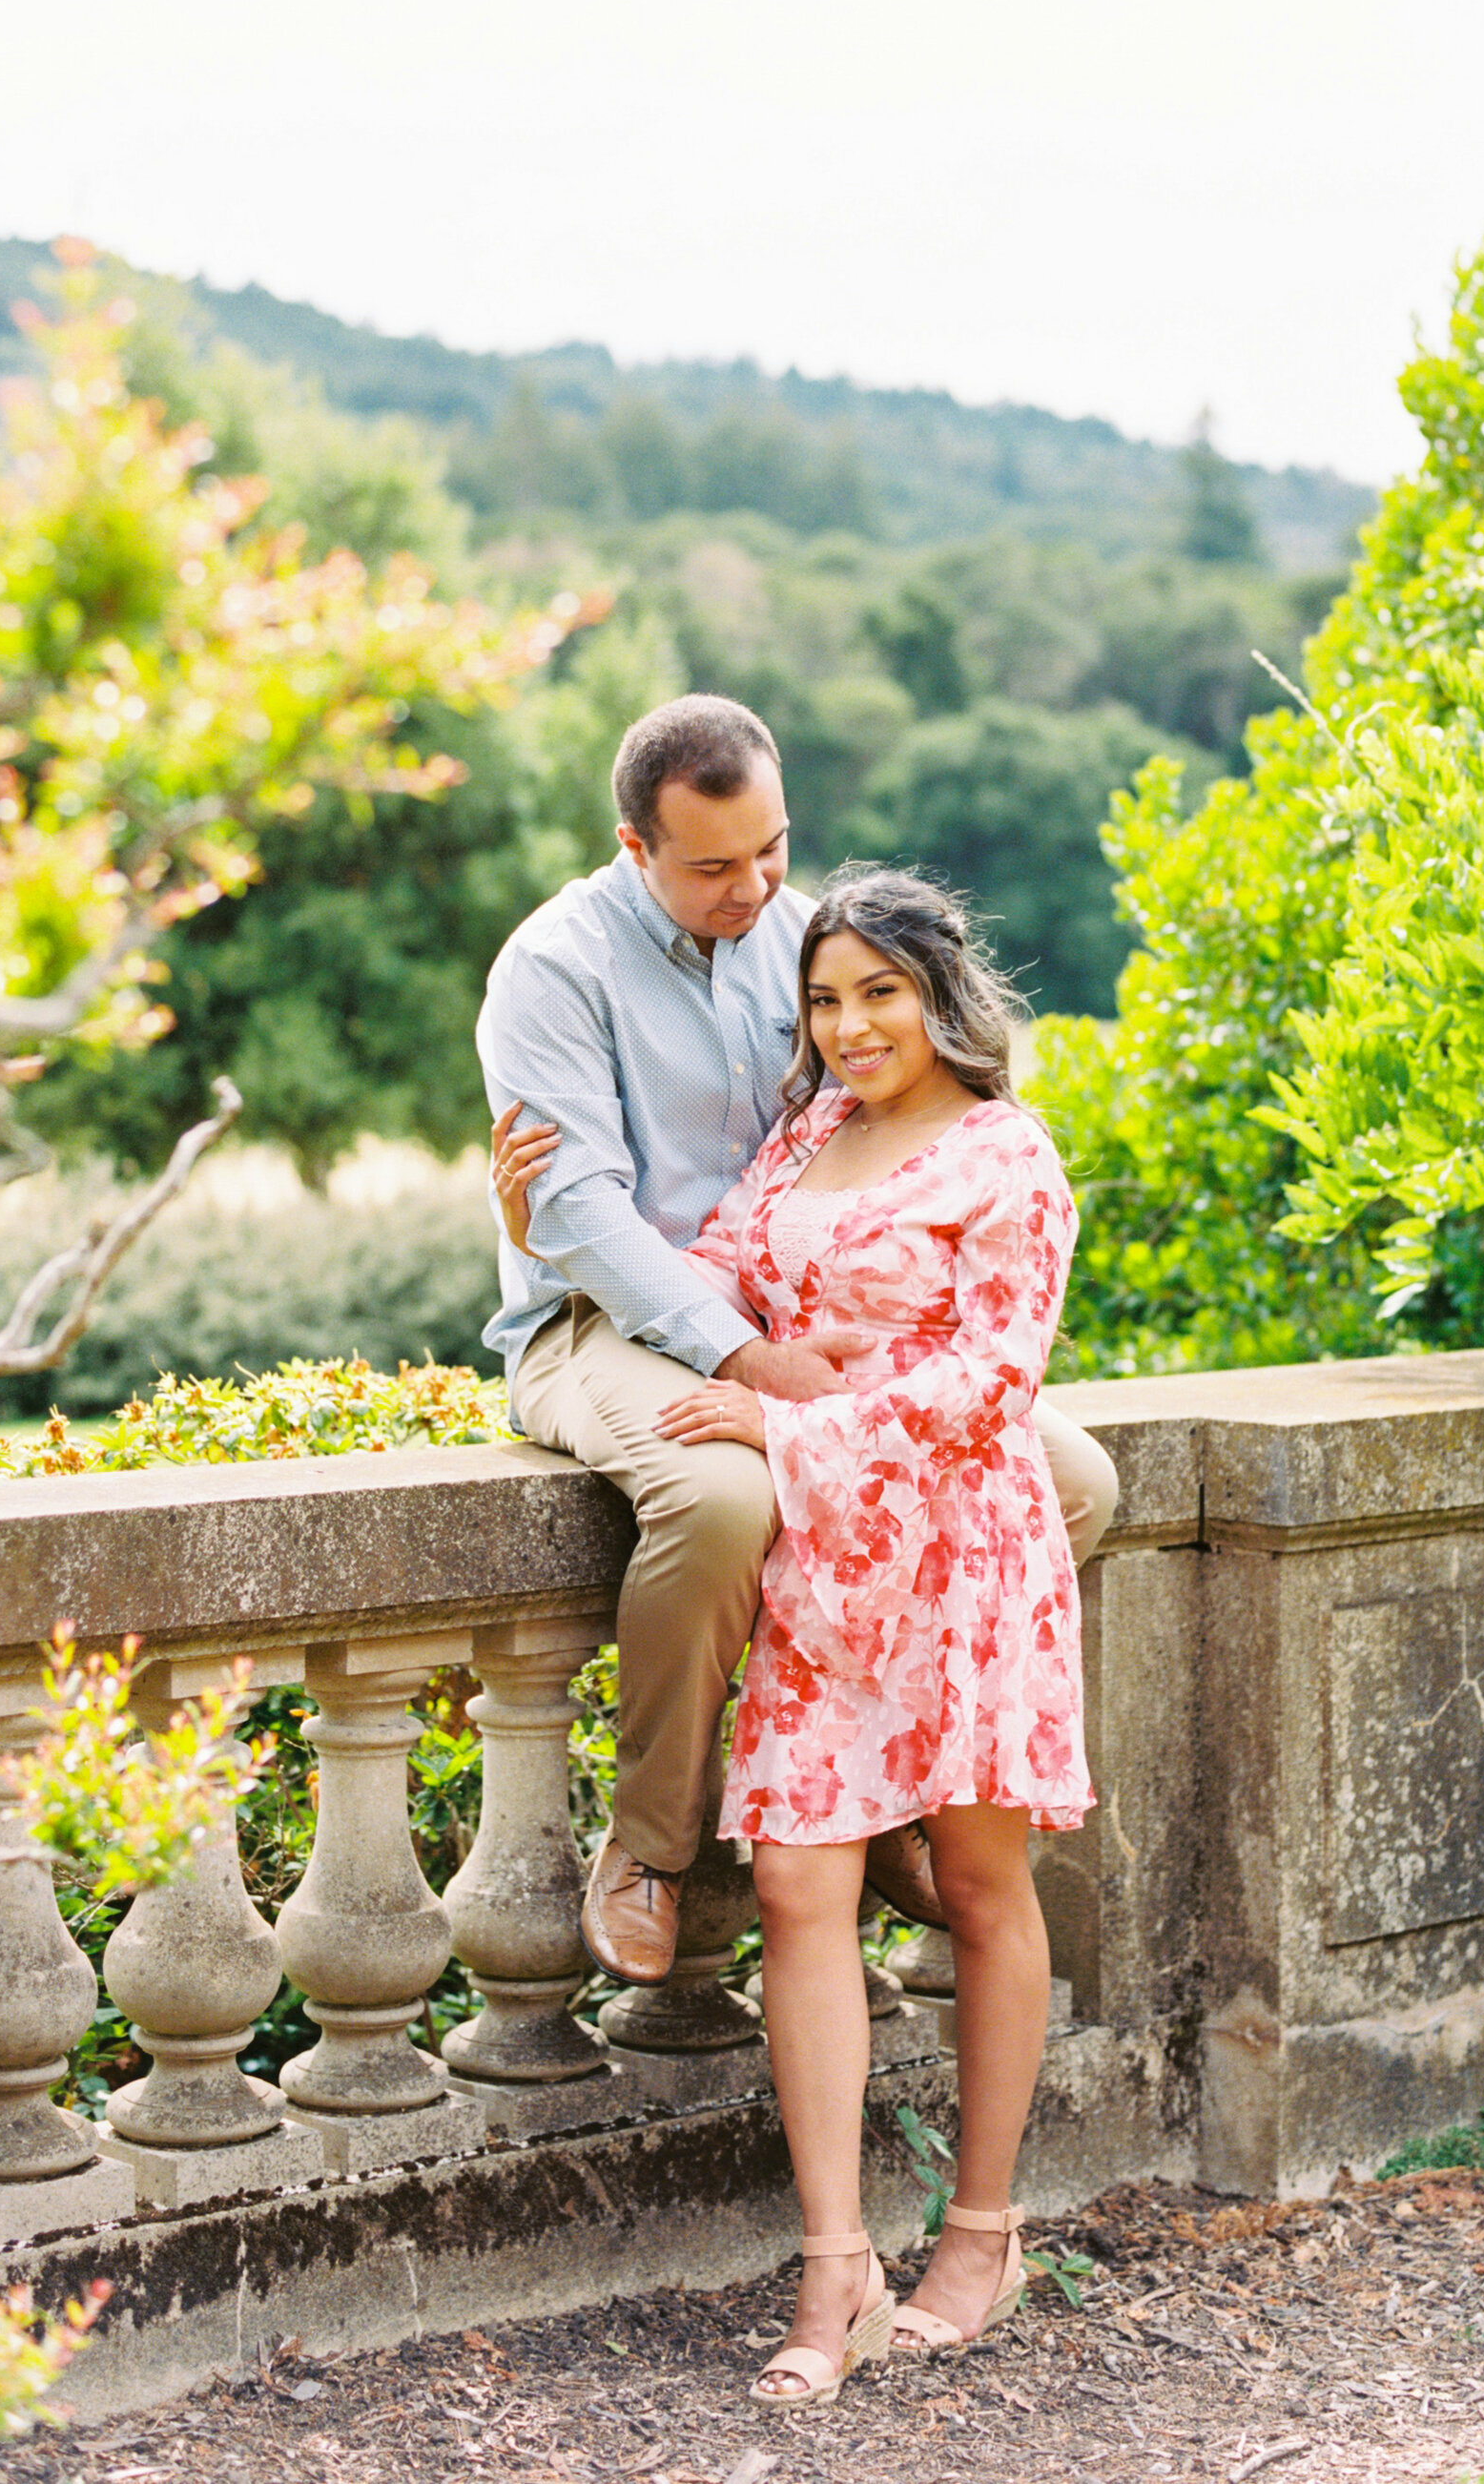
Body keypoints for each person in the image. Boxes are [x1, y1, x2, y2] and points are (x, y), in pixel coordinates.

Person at [496, 863, 1089, 2405]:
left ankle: (981, 2229)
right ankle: (837, 2269)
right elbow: (716, 1271)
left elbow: (990, 1383)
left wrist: (792, 1412)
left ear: (942, 994)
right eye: (824, 999)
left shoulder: (1008, 1156)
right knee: (802, 1886)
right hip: (830, 1571)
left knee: (976, 1879)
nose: (847, 1025)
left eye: (879, 993)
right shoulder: (807, 1133)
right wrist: (563, 1250)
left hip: (960, 1558)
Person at [475, 693, 1117, 1993]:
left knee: (1075, 1479)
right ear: (631, 845)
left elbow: (883, 1098)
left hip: (795, 1320)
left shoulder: (798, 933)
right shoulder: (553, 968)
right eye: (713, 864)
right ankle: (651, 1846)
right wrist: (743, 1358)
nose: (753, 885)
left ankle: (883, 1788)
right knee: (725, 1497)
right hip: (607, 1320)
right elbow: (580, 1208)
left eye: (771, 847)